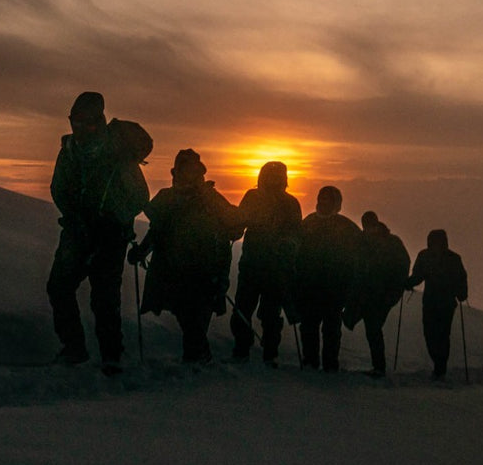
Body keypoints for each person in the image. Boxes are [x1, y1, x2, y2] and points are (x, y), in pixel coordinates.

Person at [46, 92, 152, 373]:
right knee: (60, 287)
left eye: (86, 122)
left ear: (99, 120)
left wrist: (113, 221)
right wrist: (75, 217)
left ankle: (109, 356)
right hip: (79, 232)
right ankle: (77, 350)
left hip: (108, 237)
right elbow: (59, 188)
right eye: (75, 121)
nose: (80, 128)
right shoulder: (70, 150)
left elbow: (139, 195)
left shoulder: (118, 154)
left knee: (103, 297)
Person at [127, 149, 242, 364]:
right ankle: (197, 360)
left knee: (193, 317)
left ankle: (195, 361)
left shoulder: (202, 198)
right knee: (189, 316)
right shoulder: (180, 197)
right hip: (182, 271)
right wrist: (142, 250)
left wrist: (142, 251)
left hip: (202, 271)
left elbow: (232, 226)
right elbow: (158, 231)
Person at [230, 161, 302, 366]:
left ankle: (251, 350)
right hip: (264, 266)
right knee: (258, 312)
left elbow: (295, 233)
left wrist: (233, 229)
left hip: (264, 266)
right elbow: (241, 220)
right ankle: (261, 352)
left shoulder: (258, 198)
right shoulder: (286, 202)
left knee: (257, 311)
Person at [294, 186, 362, 372]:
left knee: (331, 329)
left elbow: (360, 257)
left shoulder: (347, 228)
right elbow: (296, 252)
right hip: (310, 286)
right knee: (309, 326)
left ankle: (330, 364)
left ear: (336, 203)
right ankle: (310, 362)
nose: (323, 202)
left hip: (335, 289)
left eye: (328, 199)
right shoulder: (308, 224)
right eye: (321, 198)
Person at [345, 211, 410, 377]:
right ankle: (378, 366)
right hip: (367, 293)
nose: (368, 228)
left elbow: (402, 265)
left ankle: (379, 367)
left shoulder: (391, 243)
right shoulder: (363, 242)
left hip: (382, 295)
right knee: (372, 329)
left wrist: (395, 288)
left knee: (373, 328)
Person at [405, 229, 468, 380]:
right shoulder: (426, 256)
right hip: (431, 302)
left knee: (442, 334)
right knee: (430, 334)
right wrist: (408, 282)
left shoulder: (452, 258)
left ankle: (440, 368)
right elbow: (418, 276)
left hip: (444, 303)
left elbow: (461, 278)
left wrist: (462, 293)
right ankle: (439, 363)